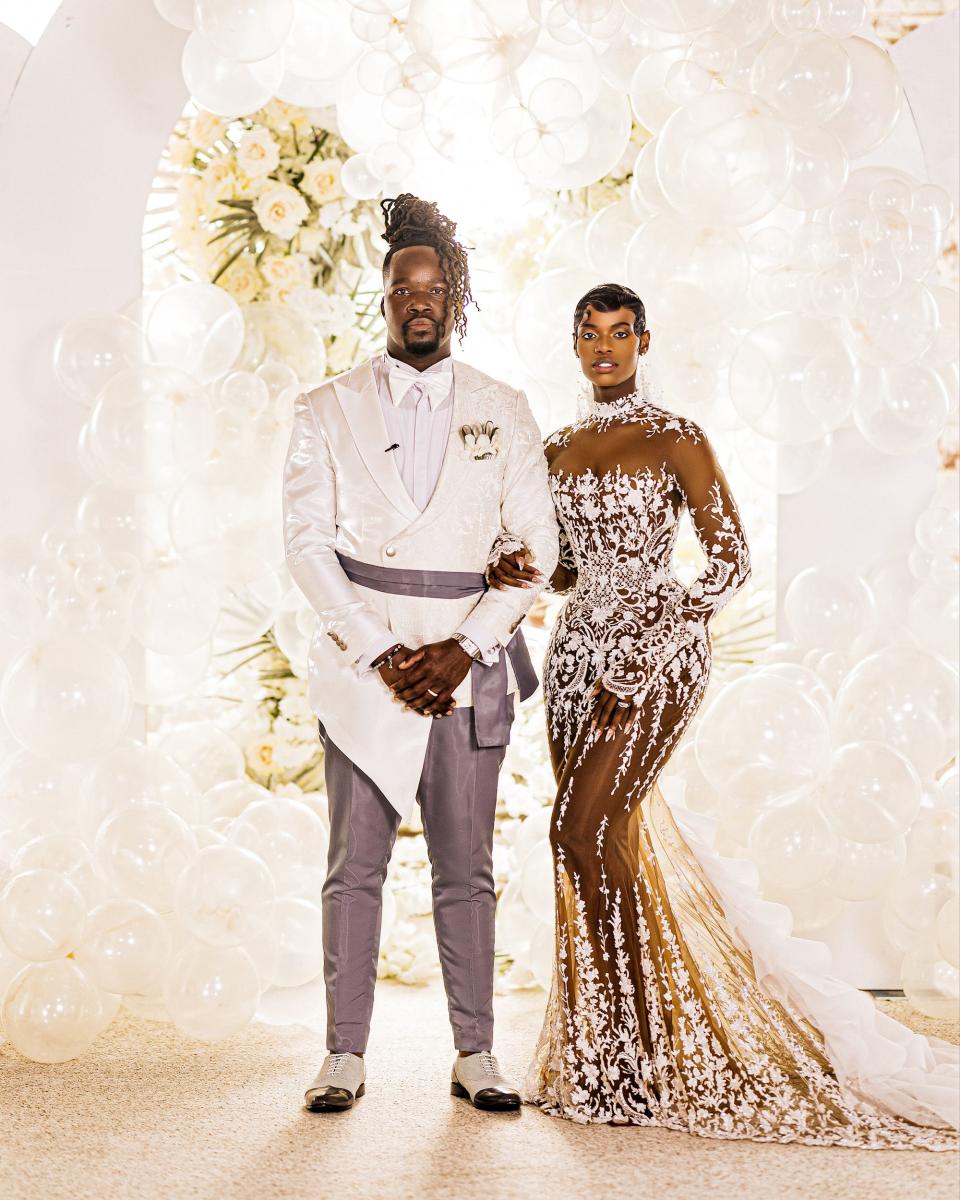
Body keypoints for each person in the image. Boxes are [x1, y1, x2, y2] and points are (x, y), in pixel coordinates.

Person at [488, 282, 958, 1146]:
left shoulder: (677, 438)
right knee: (605, 844)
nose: (605, 348)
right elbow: (560, 574)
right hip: (575, 655)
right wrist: (522, 564)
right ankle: (617, 1053)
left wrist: (653, 636)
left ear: (644, 341)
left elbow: (731, 560)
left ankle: (641, 1045)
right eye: (590, 334)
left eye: (621, 333)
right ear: (573, 343)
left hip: (660, 652)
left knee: (577, 831)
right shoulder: (551, 449)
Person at [282, 194, 559, 1114]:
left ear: (459, 296)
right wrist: (378, 651)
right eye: (404, 286)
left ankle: (476, 1053)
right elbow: (307, 543)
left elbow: (538, 549)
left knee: (464, 867)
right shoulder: (325, 408)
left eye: (435, 286)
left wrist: (465, 646)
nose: (420, 301)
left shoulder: (504, 409)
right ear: (386, 296)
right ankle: (343, 1055)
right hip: (370, 673)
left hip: (466, 673)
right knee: (353, 867)